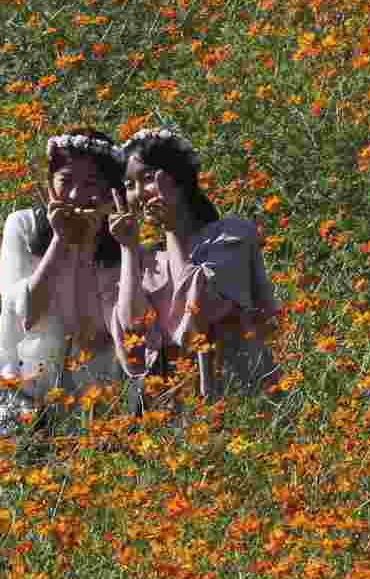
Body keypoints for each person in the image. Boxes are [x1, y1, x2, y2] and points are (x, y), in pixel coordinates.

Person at [109, 127, 281, 410]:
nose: (139, 193)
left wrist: (173, 227)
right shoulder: (146, 260)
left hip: (239, 399)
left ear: (179, 181)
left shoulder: (230, 235)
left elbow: (201, 310)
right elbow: (132, 334)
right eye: (129, 185)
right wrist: (128, 247)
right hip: (173, 413)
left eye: (149, 178)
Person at [0, 129, 127, 433]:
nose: (76, 195)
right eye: (66, 181)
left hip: (95, 398)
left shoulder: (120, 240)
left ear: (110, 191)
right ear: (50, 184)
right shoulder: (23, 225)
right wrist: (61, 241)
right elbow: (25, 314)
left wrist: (87, 243)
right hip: (24, 391)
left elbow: (97, 337)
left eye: (91, 183)